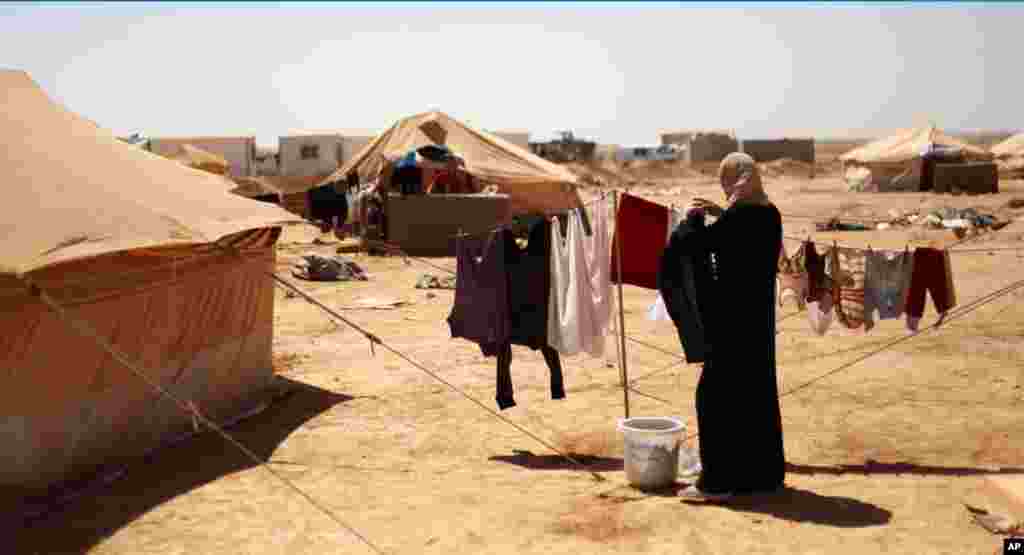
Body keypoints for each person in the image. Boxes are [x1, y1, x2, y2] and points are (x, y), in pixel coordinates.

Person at [671, 152, 786, 501]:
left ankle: (718, 482)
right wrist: (722, 214)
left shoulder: (740, 217)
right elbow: (738, 239)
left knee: (714, 399)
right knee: (754, 399)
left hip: (732, 324)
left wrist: (690, 220)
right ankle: (762, 476)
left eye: (726, 180)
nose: (724, 187)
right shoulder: (769, 213)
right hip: (758, 324)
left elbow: (701, 244)